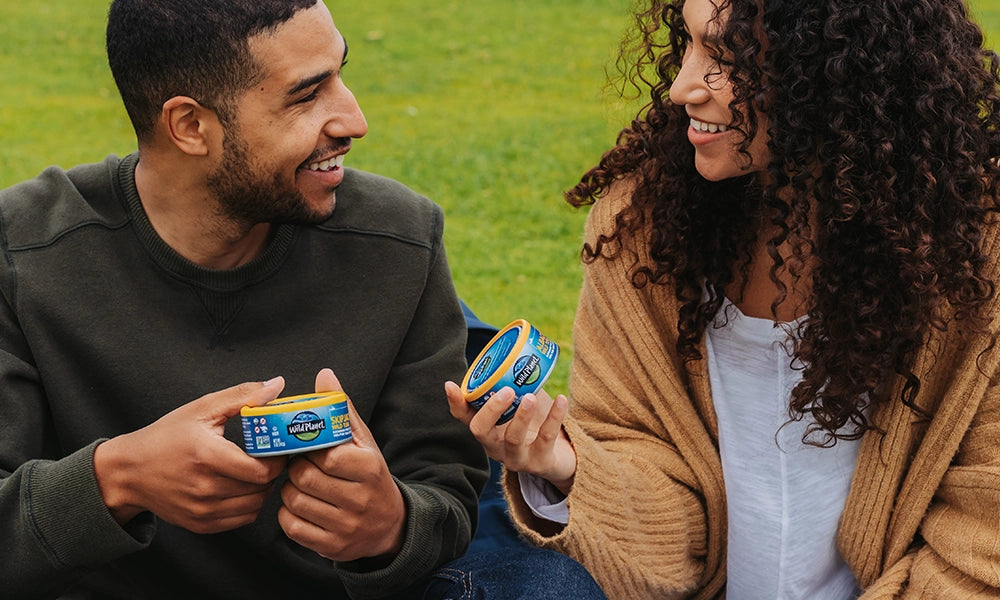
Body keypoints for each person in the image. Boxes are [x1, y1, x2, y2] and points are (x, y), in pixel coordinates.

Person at [0, 1, 609, 598]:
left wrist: (391, 525)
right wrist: (117, 479)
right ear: (190, 126)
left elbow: (447, 496)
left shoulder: (397, 239)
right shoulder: (25, 253)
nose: (354, 119)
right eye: (306, 95)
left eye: (342, 75)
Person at [447, 0, 1000, 597]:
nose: (683, 87)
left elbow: (981, 543)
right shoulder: (644, 230)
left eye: (726, 58)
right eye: (687, 43)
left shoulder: (974, 257)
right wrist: (565, 465)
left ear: (841, 71)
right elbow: (655, 498)